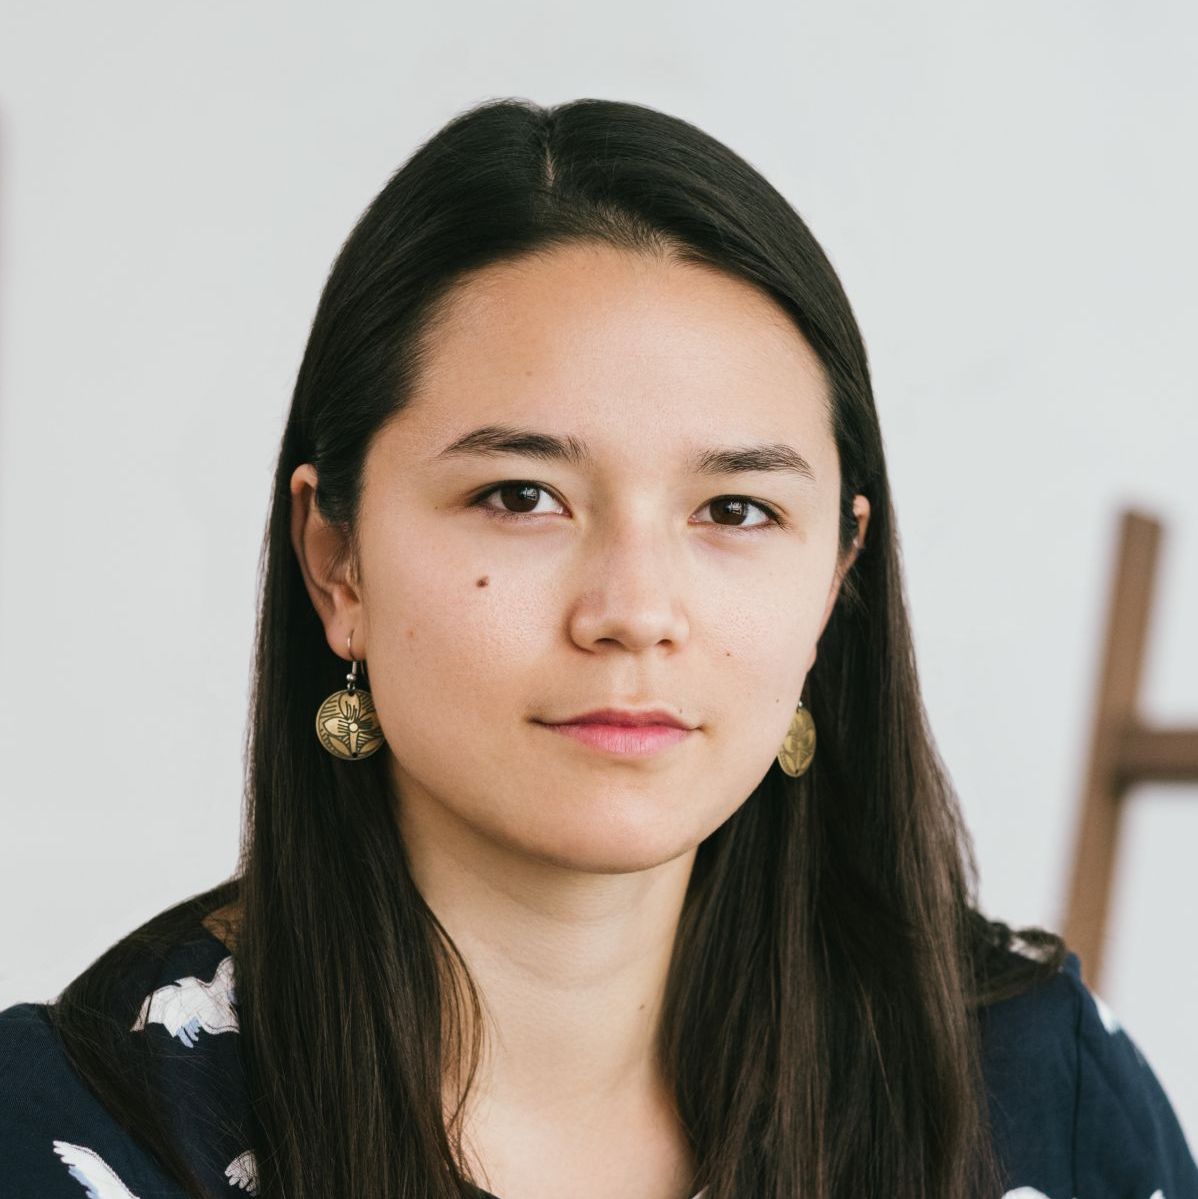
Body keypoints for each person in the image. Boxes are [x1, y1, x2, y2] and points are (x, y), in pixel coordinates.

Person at [1, 96, 1195, 1199]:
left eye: (734, 510)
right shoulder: (78, 1133)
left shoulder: (1035, 1088)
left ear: (836, 577)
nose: (633, 609)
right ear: (337, 563)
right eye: (520, 496)